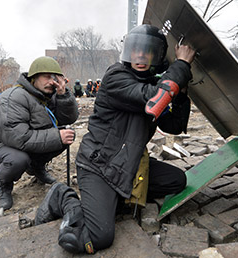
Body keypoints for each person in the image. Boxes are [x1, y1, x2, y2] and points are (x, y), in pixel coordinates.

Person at [34, 24, 196, 254]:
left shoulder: (152, 85)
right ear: (128, 52)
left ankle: (111, 201)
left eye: (147, 51)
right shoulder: (116, 77)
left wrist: (180, 92)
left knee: (177, 180)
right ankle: (62, 196)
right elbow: (154, 99)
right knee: (98, 237)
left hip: (126, 164)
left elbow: (174, 125)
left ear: (156, 56)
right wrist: (181, 66)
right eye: (136, 50)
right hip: (98, 165)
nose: (140, 55)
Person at [0, 56, 78, 210]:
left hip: (26, 140)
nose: (51, 82)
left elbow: (69, 118)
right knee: (18, 159)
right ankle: (4, 184)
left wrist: (62, 93)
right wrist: (56, 136)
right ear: (34, 78)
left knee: (66, 135)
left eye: (54, 78)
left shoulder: (47, 95)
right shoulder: (14, 97)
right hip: (0, 144)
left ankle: (36, 168)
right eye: (47, 77)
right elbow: (20, 138)